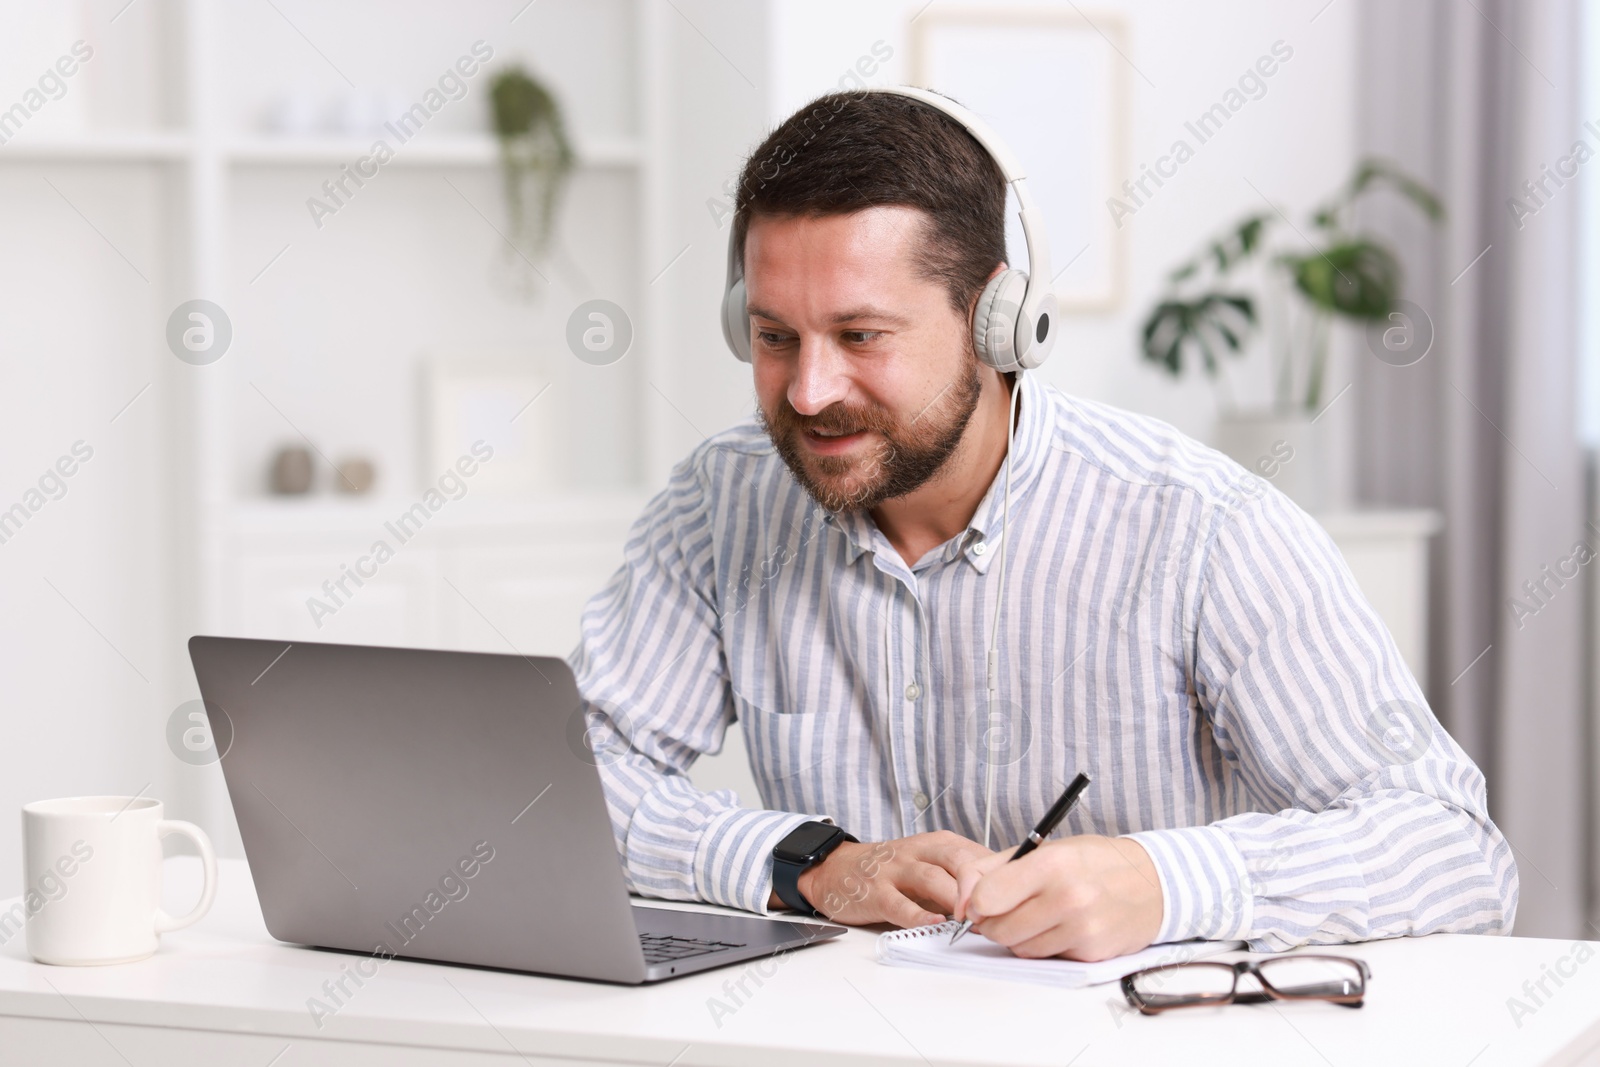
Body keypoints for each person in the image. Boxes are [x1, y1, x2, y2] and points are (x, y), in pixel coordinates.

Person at [568, 88, 1517, 961]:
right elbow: (563, 786)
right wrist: (806, 861)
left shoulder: (1202, 528)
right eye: (776, 337)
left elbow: (1454, 847)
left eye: (860, 336)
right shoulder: (724, 503)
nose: (810, 391)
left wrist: (1164, 881)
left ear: (999, 322)